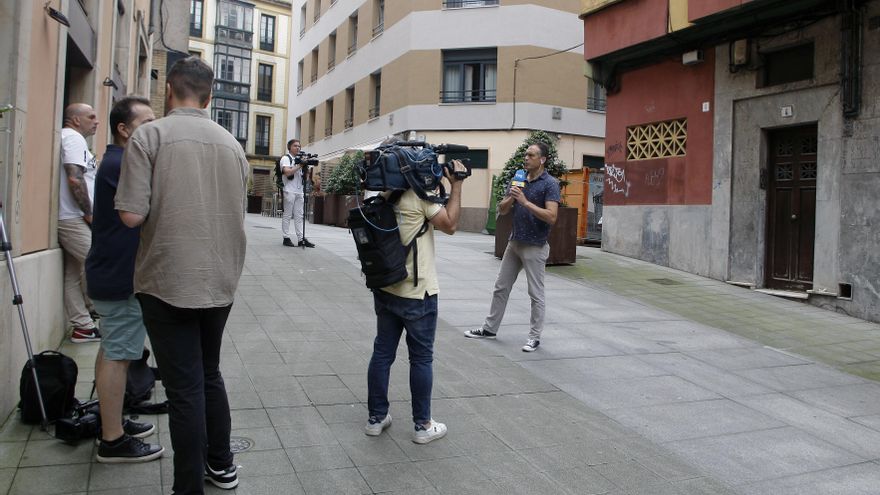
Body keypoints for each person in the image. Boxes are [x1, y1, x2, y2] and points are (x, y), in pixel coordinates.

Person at [116, 57, 248, 493]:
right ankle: (222, 464)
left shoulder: (149, 137)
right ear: (210, 96)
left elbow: (132, 216)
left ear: (168, 90)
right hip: (221, 279)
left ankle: (187, 486)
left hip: (166, 280)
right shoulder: (232, 144)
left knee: (184, 387)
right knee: (209, 372)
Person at [365, 154, 468, 445]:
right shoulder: (420, 198)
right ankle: (423, 425)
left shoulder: (386, 195)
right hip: (417, 292)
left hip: (386, 288)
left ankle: (376, 418)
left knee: (382, 353)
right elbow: (449, 224)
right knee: (421, 358)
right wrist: (456, 186)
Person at [84, 96, 164, 463]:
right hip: (119, 277)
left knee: (112, 351)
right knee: (118, 355)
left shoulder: (116, 161)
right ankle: (112, 441)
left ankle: (110, 422)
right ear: (125, 128)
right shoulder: (122, 163)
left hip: (111, 273)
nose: (153, 127)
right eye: (146, 122)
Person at [464, 142, 560, 352]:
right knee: (501, 287)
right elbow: (503, 209)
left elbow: (552, 217)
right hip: (514, 242)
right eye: (526, 155)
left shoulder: (550, 183)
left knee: (535, 293)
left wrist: (525, 202)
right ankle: (489, 329)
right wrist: (511, 197)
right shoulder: (519, 178)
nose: (526, 158)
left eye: (531, 155)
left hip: (535, 245)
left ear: (542, 160)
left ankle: (534, 337)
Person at [58, 103, 101, 343]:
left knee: (72, 274)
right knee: (94, 260)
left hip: (73, 216)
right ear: (75, 120)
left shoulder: (74, 138)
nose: (96, 121)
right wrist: (90, 215)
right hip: (73, 217)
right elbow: (75, 179)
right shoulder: (73, 138)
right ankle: (91, 312)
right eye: (90, 117)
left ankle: (82, 326)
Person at [279, 138, 315, 248]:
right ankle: (286, 237)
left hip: (300, 191)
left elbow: (307, 178)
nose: (298, 148)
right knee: (288, 215)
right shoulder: (286, 158)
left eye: (299, 146)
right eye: (295, 146)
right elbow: (286, 172)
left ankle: (301, 239)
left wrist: (306, 167)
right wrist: (299, 165)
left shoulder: (301, 159)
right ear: (289, 147)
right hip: (289, 190)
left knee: (299, 215)